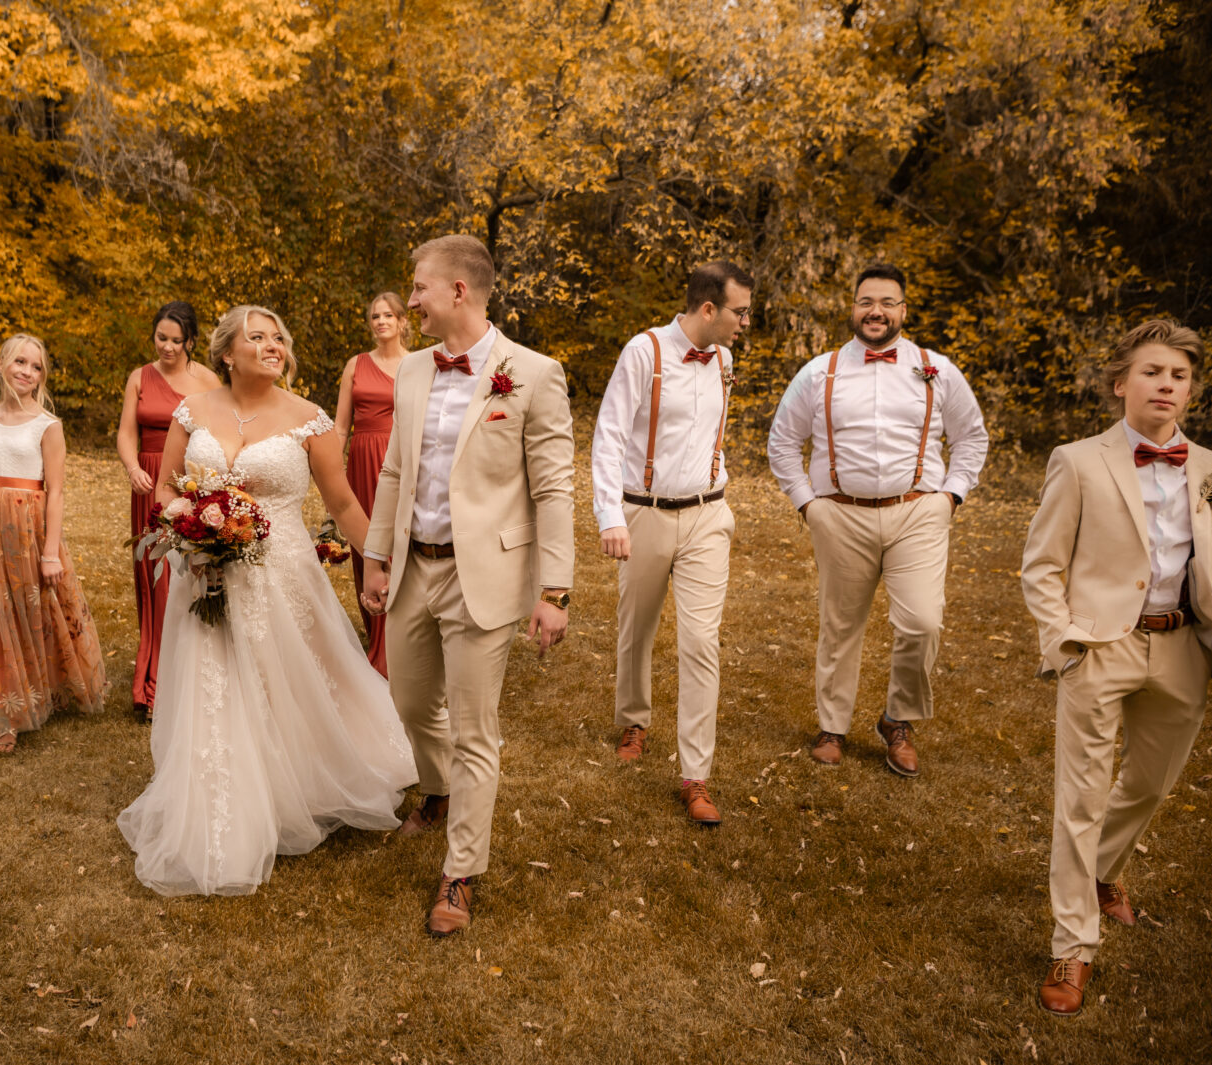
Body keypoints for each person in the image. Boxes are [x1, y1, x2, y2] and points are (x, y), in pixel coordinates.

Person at [116, 305, 417, 896]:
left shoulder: (310, 419)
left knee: (284, 681)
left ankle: (297, 786)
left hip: (280, 574)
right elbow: (171, 486)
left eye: (278, 336)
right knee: (213, 684)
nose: (272, 345)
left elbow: (345, 505)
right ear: (227, 353)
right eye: (257, 337)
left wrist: (376, 564)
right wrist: (192, 523)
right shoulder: (192, 410)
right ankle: (220, 803)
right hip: (202, 573)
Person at [1021, 319, 1212, 1017]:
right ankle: (1072, 943)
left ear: (1190, 390)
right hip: (1099, 645)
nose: (1166, 385)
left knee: (1148, 784)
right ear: (1123, 383)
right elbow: (1042, 564)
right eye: (1153, 372)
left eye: (1178, 376)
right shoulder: (1079, 460)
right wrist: (1063, 641)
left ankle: (1101, 870)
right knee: (1080, 796)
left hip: (1181, 648)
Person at [361, 234, 576, 936]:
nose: (410, 299)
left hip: (483, 572)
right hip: (412, 566)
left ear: (459, 291)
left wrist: (556, 589)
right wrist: (375, 554)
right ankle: (439, 790)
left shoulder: (535, 374)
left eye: (419, 288)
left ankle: (461, 872)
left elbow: (554, 488)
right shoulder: (415, 369)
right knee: (411, 701)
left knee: (476, 728)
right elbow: (395, 470)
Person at [766, 263, 988, 776]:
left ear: (903, 311)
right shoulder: (819, 372)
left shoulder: (937, 369)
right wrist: (808, 503)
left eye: (888, 302)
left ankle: (898, 719)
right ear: (853, 307)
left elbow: (971, 437)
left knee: (923, 622)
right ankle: (832, 726)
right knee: (840, 625)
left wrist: (950, 496)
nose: (876, 311)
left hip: (918, 512)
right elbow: (782, 442)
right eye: (867, 301)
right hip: (840, 515)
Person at [589, 261, 752, 825]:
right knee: (637, 624)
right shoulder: (644, 352)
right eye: (740, 312)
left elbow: (709, 432)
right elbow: (609, 434)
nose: (745, 322)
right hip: (645, 512)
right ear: (709, 309)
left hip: (708, 515)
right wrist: (611, 515)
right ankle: (635, 719)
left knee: (701, 642)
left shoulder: (725, 360)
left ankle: (695, 774)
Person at [0, 334, 105, 754]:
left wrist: (50, 552)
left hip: (32, 526)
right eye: (20, 362)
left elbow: (56, 491)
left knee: (39, 609)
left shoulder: (48, 425)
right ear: (2, 364)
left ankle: (56, 687)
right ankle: (7, 716)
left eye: (37, 366)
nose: (27, 371)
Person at [115, 302, 221, 720]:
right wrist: (133, 467)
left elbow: (217, 435)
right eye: (162, 338)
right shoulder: (139, 377)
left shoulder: (207, 381)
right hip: (147, 483)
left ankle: (185, 679)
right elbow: (127, 431)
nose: (169, 347)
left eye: (177, 340)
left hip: (187, 482)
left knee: (183, 578)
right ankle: (151, 684)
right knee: (151, 581)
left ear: (191, 341)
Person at [333, 292, 411, 676]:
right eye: (375, 316)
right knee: (365, 546)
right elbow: (340, 426)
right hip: (361, 461)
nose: (381, 322)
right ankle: (375, 631)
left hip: (398, 461)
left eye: (388, 316)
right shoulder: (355, 365)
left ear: (401, 321)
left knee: (396, 545)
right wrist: (329, 468)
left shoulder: (417, 365)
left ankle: (397, 643)